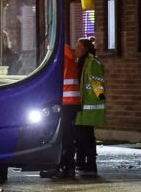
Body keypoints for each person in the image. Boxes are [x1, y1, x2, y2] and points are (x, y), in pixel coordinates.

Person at [40, 42, 82, 179]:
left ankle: (64, 167)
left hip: (63, 101)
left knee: (62, 137)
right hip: (70, 102)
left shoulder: (59, 55)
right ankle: (66, 167)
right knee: (67, 136)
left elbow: (54, 78)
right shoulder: (67, 54)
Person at [75, 36, 106, 178]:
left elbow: (97, 83)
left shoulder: (92, 63)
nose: (77, 50)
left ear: (87, 49)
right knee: (80, 137)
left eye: (80, 47)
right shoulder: (81, 62)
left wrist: (99, 97)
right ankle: (81, 162)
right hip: (82, 107)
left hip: (89, 107)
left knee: (87, 137)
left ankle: (91, 164)